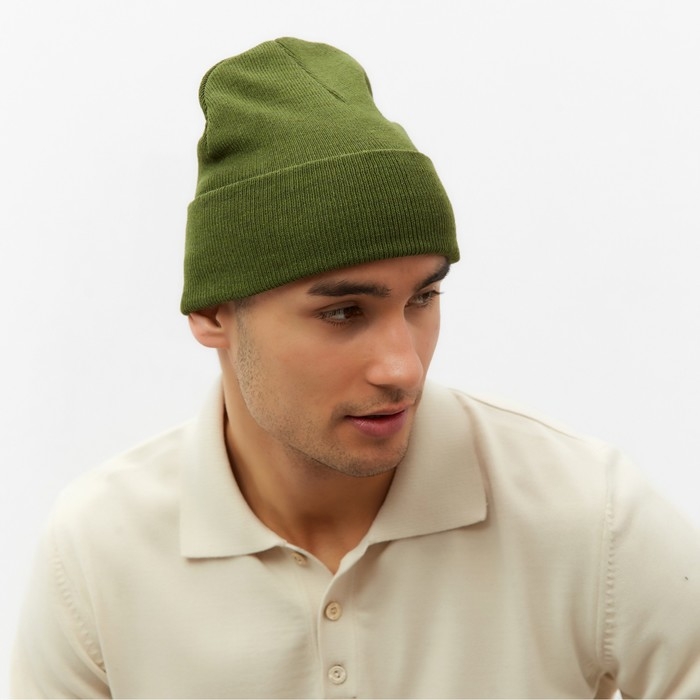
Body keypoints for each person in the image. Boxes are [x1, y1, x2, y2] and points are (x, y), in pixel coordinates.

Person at [11, 37, 700, 699]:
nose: (404, 368)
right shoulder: (99, 551)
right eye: (343, 312)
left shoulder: (589, 514)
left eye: (423, 298)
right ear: (215, 313)